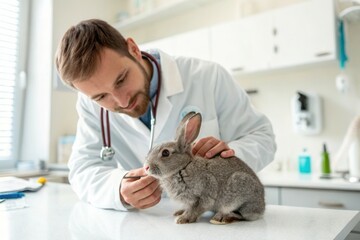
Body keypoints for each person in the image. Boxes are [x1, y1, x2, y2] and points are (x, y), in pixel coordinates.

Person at [55, 19, 276, 211]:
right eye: (102, 96)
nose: (122, 101)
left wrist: (230, 156)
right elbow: (83, 169)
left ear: (132, 49)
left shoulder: (207, 76)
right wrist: (118, 188)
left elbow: (262, 137)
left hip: (212, 219)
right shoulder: (90, 105)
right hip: (145, 225)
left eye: (121, 80)